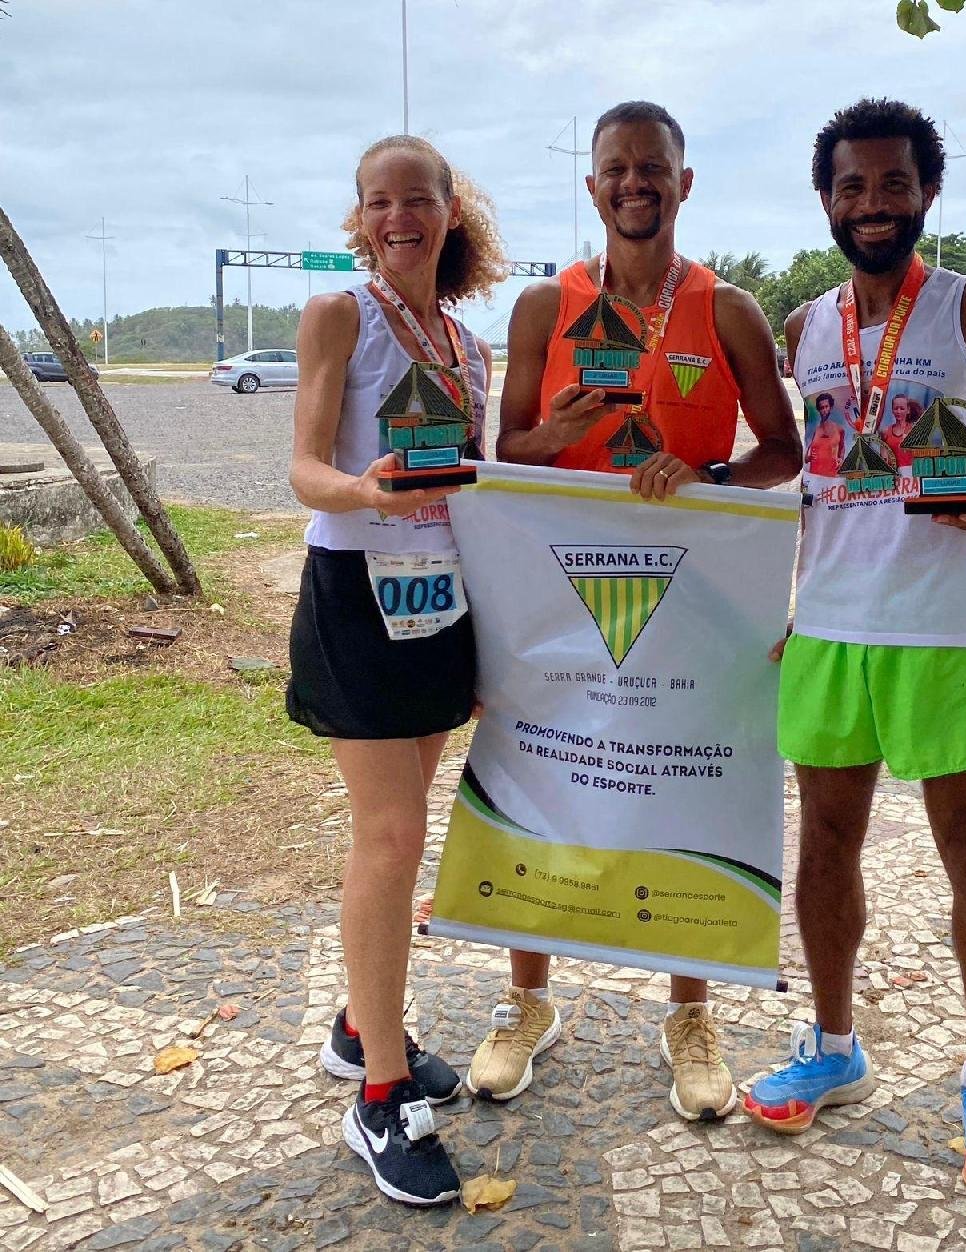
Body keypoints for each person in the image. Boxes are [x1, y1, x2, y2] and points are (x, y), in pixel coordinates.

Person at [743, 100, 966, 1199]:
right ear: (824, 199)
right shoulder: (801, 327)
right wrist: (772, 597)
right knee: (824, 846)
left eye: (890, 185)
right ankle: (833, 1044)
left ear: (926, 190)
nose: (869, 205)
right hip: (831, 627)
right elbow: (807, 476)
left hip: (942, 626)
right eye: (849, 187)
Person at [477, 100, 803, 1123]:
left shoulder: (730, 309)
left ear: (683, 182)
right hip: (559, 590)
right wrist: (554, 433)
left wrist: (707, 470)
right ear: (591, 187)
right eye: (615, 169)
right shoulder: (545, 306)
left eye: (651, 167)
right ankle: (526, 1002)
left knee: (684, 783)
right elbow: (503, 452)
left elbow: (782, 451)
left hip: (693, 589)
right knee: (539, 768)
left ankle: (690, 1015)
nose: (634, 184)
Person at [286, 134, 505, 1206]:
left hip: (442, 599)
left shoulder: (467, 343)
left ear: (448, 211)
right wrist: (366, 492)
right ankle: (379, 1097)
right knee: (390, 833)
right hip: (357, 598)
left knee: (409, 814)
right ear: (360, 217)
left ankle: (359, 1022)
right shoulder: (341, 314)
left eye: (415, 199)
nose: (397, 218)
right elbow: (302, 469)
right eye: (378, 202)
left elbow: (477, 480)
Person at [806, 393, 845, 477]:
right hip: (814, 476)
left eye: (826, 407)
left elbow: (842, 447)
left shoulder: (839, 429)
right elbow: (807, 454)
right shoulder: (815, 430)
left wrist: (841, 459)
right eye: (821, 408)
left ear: (830, 407)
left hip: (831, 477)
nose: (824, 410)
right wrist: (807, 457)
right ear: (819, 410)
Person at [881, 391, 922, 459]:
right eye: (896, 408)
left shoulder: (914, 430)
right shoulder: (885, 432)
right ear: (892, 410)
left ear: (908, 410)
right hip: (893, 468)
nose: (898, 411)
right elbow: (884, 458)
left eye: (902, 408)